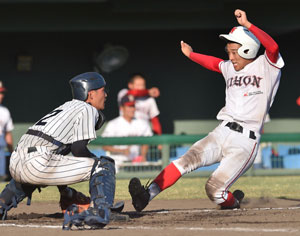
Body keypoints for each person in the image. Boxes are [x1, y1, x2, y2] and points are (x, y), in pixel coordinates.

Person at [128, 9, 284, 212]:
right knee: (185, 161)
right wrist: (191, 54)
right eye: (229, 51)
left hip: (246, 141)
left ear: (249, 50)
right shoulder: (230, 67)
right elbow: (213, 63)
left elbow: (273, 46)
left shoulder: (267, 66)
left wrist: (248, 25)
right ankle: (145, 196)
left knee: (214, 190)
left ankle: (233, 202)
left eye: (235, 51)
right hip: (222, 131)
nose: (230, 56)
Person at [0, 72, 127, 229]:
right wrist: (97, 165)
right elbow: (78, 149)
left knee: (32, 172)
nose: (106, 94)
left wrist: (66, 192)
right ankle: (101, 209)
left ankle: (2, 204)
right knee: (104, 165)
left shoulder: (65, 107)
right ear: (91, 94)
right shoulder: (87, 108)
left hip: (16, 162)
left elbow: (59, 156)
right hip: (38, 161)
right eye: (103, 90)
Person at [102, 94, 153, 173]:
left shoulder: (142, 123)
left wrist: (143, 155)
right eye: (129, 106)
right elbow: (105, 146)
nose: (132, 109)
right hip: (117, 162)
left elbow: (146, 142)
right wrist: (121, 150)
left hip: (135, 164)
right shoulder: (113, 124)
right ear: (122, 108)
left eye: (133, 106)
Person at [0, 81, 14, 182]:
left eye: (1, 93)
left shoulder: (4, 111)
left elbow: (8, 135)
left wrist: (12, 154)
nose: (1, 96)